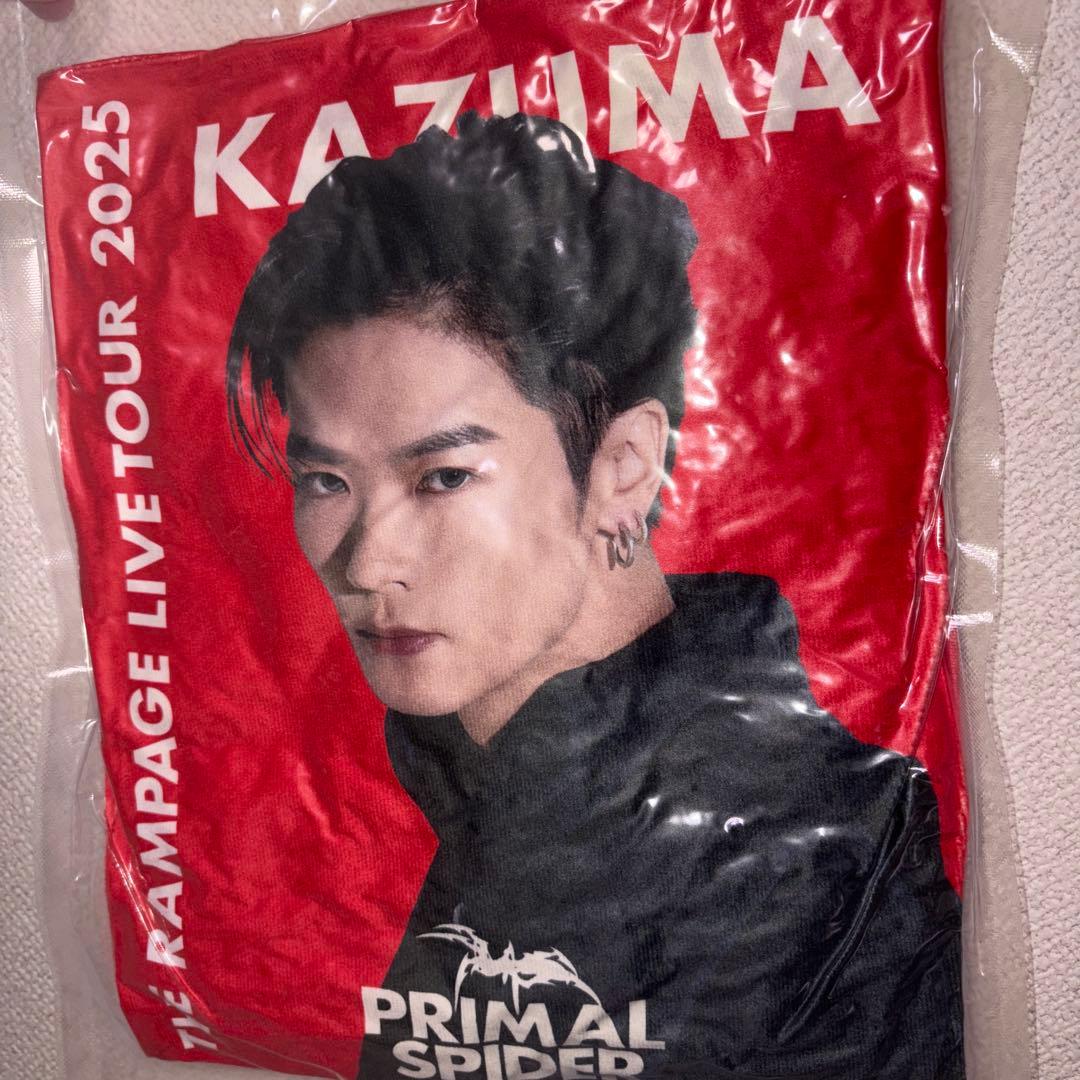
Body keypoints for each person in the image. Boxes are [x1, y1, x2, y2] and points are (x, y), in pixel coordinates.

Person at [226, 112, 963, 1079]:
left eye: (443, 477)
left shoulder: (819, 859)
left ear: (621, 469)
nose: (366, 564)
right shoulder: (482, 790)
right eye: (327, 481)